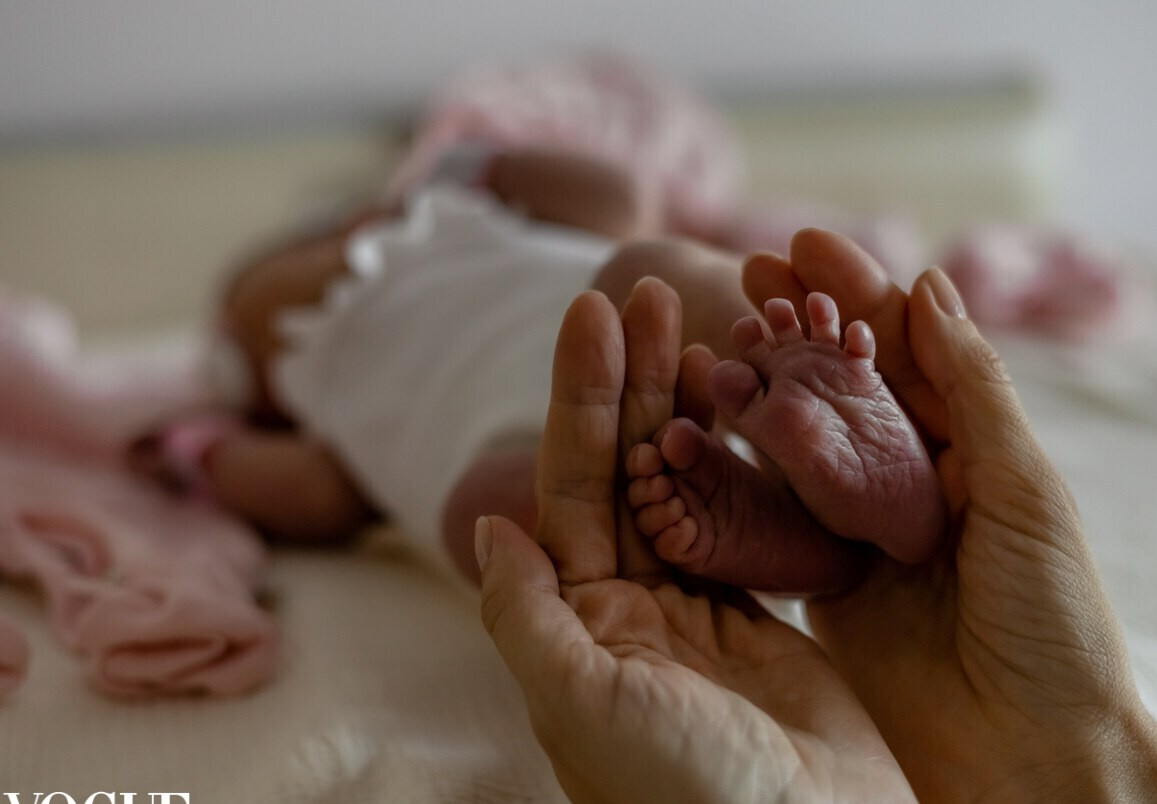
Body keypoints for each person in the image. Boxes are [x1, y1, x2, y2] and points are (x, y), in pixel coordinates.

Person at [477, 230, 1157, 804]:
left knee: (646, 283)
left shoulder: (451, 195)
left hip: (555, 336)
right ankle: (800, 512)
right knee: (581, 445)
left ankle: (800, 463)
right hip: (535, 378)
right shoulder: (402, 265)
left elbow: (605, 190)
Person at [135, 151, 945, 591]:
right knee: (481, 519)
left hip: (608, 314)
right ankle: (760, 529)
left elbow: (615, 196)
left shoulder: (458, 220)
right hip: (516, 446)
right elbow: (316, 496)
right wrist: (203, 456)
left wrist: (483, 169)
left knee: (654, 267)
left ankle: (801, 383)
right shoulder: (320, 412)